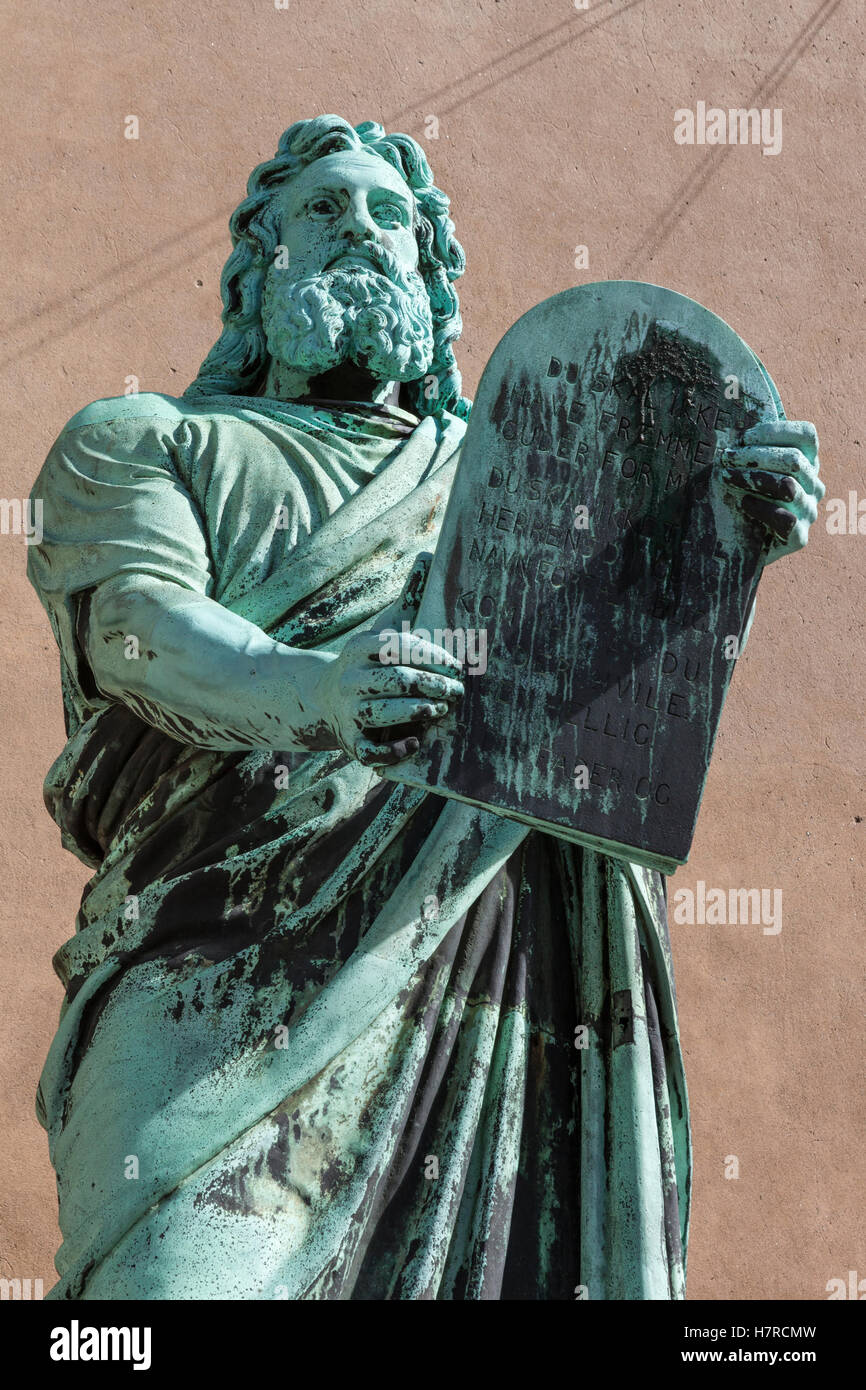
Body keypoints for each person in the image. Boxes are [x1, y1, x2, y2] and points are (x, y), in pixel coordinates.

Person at [27, 115, 823, 1300]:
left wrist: (715, 551)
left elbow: (610, 722)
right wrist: (324, 694)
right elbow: (138, 629)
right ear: (258, 276)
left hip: (495, 963)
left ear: (432, 278)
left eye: (389, 216)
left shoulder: (519, 481)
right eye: (323, 211)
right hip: (215, 962)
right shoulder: (151, 439)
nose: (360, 230)